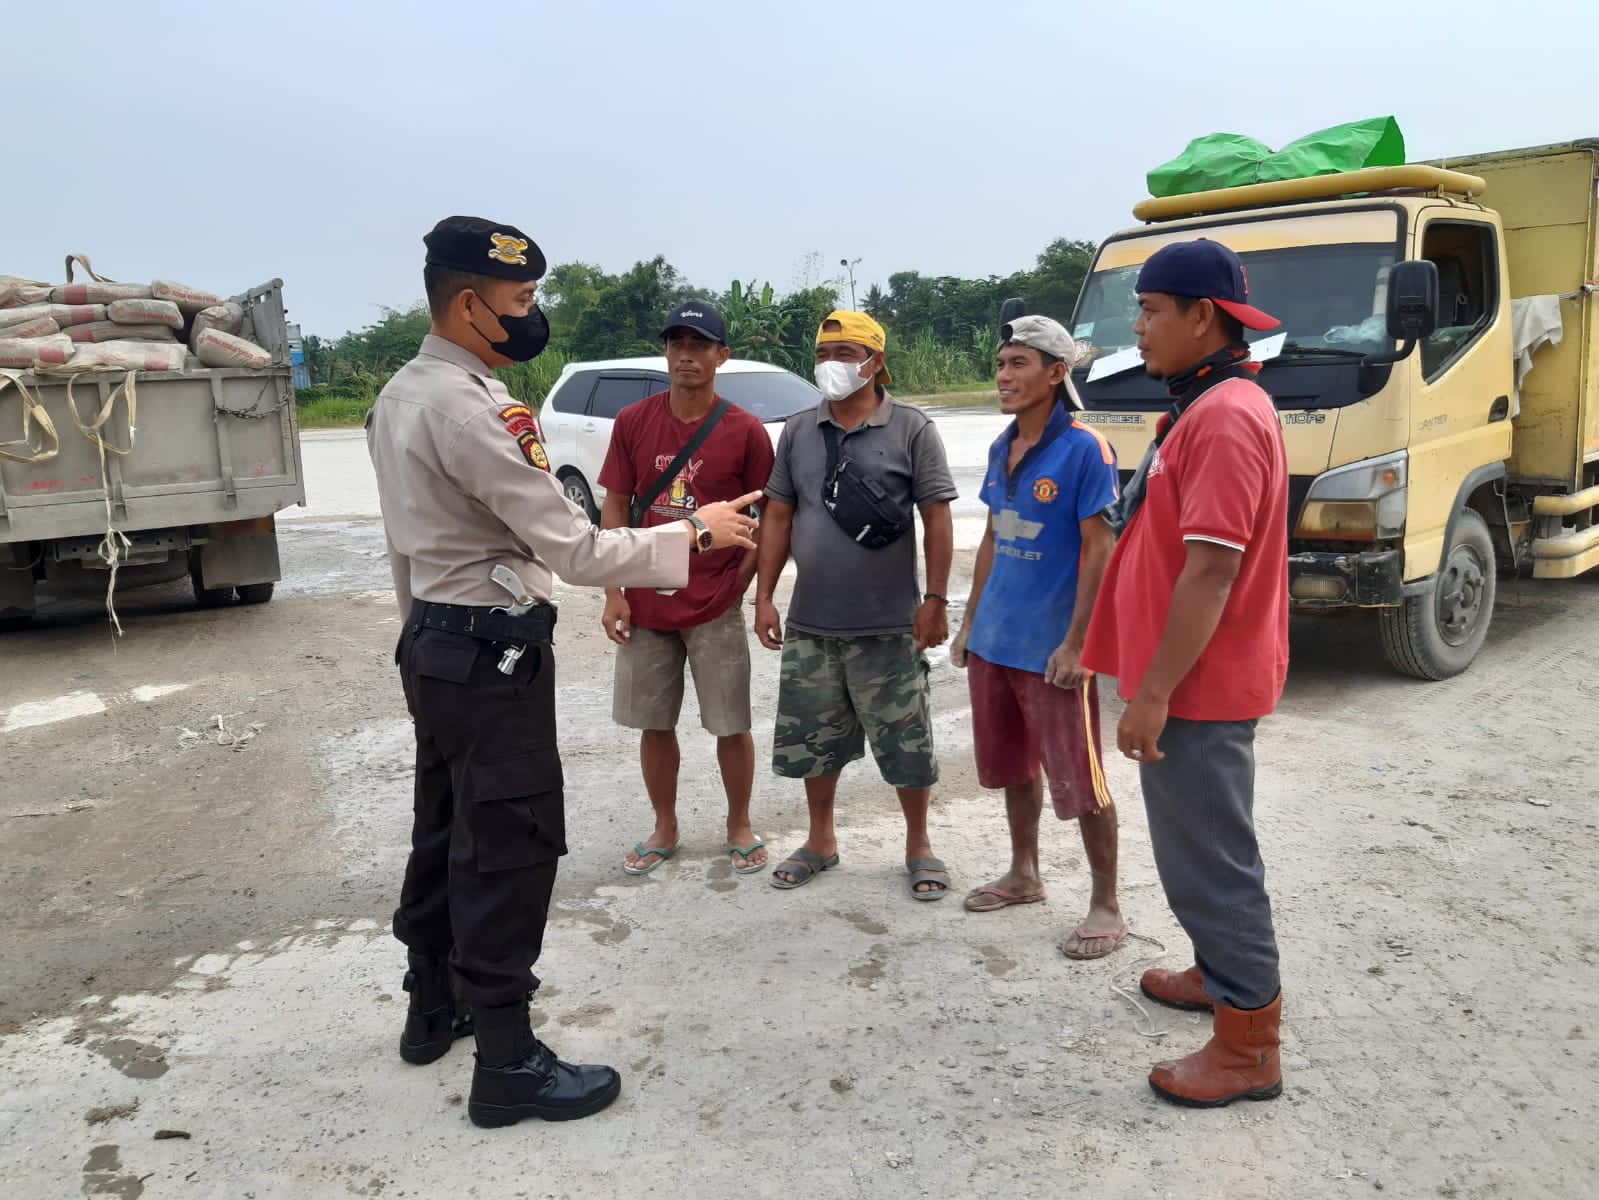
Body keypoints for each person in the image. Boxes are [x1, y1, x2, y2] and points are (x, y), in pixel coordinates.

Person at [366, 216, 760, 1129]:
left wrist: (421, 639)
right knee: (508, 842)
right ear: (470, 303)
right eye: (521, 299)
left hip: (437, 643)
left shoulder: (401, 393)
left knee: (445, 826)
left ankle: (435, 1006)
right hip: (489, 652)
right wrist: (694, 532)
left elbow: (402, 547)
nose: (530, 314)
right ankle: (508, 1062)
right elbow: (576, 548)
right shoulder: (469, 406)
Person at [1081, 238, 1289, 1107]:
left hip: (1196, 689)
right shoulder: (1200, 404)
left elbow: (1211, 570)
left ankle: (1248, 1046)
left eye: (1151, 311)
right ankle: (1217, 974)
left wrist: (1155, 693)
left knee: (1209, 859)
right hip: (1185, 682)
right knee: (1195, 850)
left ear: (1202, 316)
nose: (1138, 329)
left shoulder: (1226, 416)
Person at [753, 311, 958, 899]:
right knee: (814, 739)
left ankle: (919, 844)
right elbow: (779, 515)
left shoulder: (912, 428)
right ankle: (821, 840)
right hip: (812, 623)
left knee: (907, 742)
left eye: (845, 351)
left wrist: (936, 599)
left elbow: (937, 515)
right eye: (825, 352)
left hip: (891, 623)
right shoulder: (798, 431)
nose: (832, 363)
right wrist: (765, 596)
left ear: (875, 360)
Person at [950, 315, 1126, 959]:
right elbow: (995, 534)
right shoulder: (1002, 447)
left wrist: (1079, 643)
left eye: (1019, 363)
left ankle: (1106, 901)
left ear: (1057, 373)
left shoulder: (1086, 448)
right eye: (1000, 363)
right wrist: (970, 623)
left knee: (1081, 778)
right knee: (1014, 768)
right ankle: (1025, 874)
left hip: (1054, 649)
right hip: (997, 641)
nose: (1003, 375)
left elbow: (1099, 550)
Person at [597, 301, 775, 876]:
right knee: (654, 722)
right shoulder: (633, 421)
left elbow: (767, 520)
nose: (685, 355)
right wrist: (614, 592)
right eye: (676, 343)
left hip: (714, 603)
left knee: (730, 723)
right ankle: (665, 826)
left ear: (723, 356)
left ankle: (739, 824)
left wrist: (741, 587)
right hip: (647, 600)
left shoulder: (745, 430)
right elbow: (617, 508)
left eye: (699, 345)